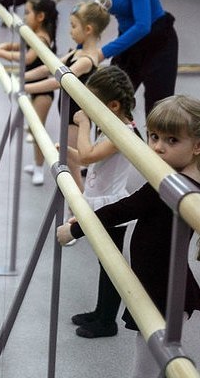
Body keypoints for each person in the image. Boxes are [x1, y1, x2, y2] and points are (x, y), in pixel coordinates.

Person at [57, 95, 200, 377]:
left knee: (148, 363)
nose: (158, 147)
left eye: (172, 141)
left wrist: (75, 228)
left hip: (163, 292)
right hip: (161, 284)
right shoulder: (178, 175)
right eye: (154, 137)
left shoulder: (171, 185)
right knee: (156, 358)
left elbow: (124, 209)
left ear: (197, 146)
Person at [65, 65, 138, 338]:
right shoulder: (110, 126)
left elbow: (88, 156)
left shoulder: (122, 132)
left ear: (113, 105)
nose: (88, 110)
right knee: (104, 263)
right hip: (101, 201)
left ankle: (107, 321)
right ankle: (100, 312)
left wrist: (83, 124)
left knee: (111, 266)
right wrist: (66, 151)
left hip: (112, 207)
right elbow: (90, 159)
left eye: (92, 105)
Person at [24, 0, 112, 189]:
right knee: (67, 161)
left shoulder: (86, 60)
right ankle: (75, 201)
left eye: (73, 26)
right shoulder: (76, 52)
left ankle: (79, 201)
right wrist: (24, 76)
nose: (70, 31)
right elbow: (48, 67)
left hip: (75, 117)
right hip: (67, 112)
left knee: (71, 165)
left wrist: (25, 87)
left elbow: (57, 82)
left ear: (88, 29)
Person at [0, 0, 58, 185]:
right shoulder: (34, 34)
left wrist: (0, 53)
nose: (25, 16)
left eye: (28, 12)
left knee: (38, 131)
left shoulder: (42, 38)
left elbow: (28, 58)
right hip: (34, 88)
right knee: (33, 128)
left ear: (40, 17)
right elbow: (20, 46)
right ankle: (36, 164)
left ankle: (40, 168)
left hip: (43, 92)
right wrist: (6, 46)